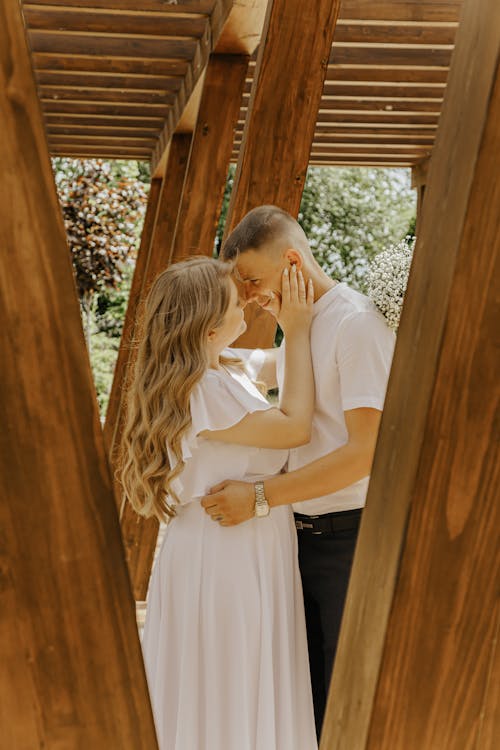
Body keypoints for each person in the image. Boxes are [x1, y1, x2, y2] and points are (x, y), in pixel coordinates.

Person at [201, 205, 396, 736]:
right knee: (305, 710)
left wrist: (259, 496)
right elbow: (262, 367)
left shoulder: (356, 325)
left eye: (254, 280)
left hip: (348, 545)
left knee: (344, 709)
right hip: (299, 542)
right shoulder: (303, 324)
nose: (248, 295)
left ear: (291, 260)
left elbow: (366, 452)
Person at [120, 256, 318, 750]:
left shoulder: (217, 369)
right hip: (229, 553)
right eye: (237, 300)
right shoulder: (203, 389)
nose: (247, 304)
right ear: (208, 326)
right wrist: (296, 329)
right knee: (233, 677)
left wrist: (291, 321)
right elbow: (295, 426)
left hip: (228, 545)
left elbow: (278, 367)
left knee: (230, 677)